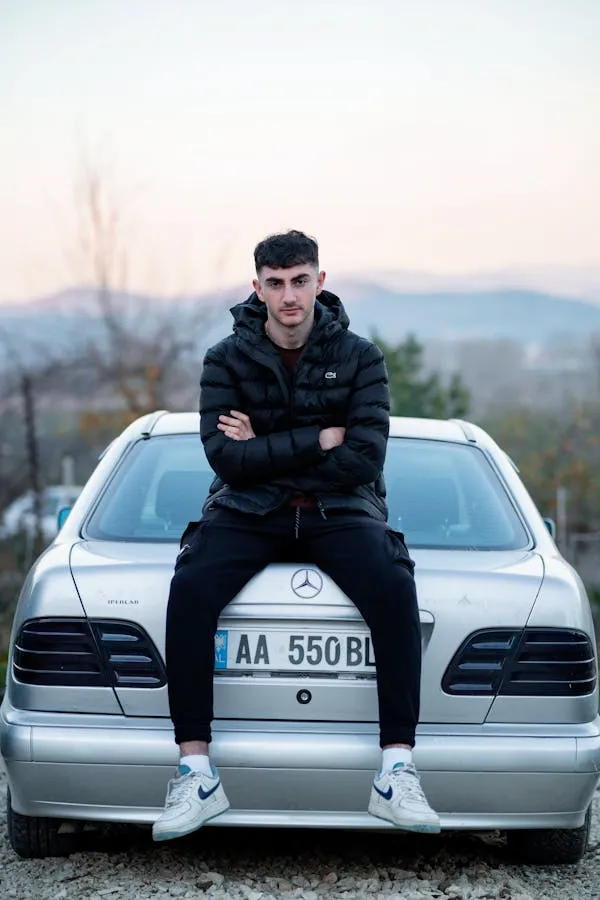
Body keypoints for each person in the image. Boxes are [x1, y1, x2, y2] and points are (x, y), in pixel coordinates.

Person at [152, 230, 440, 841]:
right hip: (249, 508)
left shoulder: (362, 358)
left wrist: (263, 444)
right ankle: (195, 772)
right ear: (257, 287)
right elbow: (225, 463)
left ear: (320, 282)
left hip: (340, 508)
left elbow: (363, 459)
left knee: (393, 586)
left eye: (300, 281)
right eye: (276, 284)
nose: (289, 296)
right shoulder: (224, 359)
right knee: (191, 583)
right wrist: (316, 438)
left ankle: (396, 771)